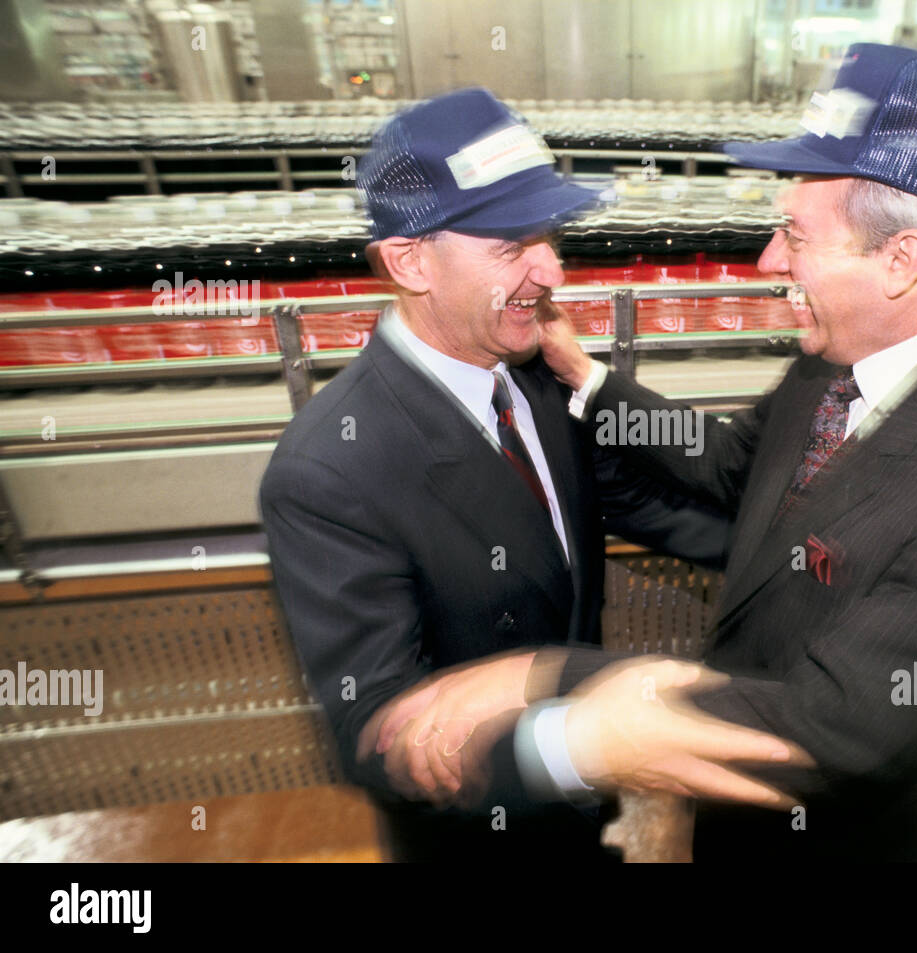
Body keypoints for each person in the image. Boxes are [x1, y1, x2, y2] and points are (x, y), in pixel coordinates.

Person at [525, 42, 917, 861]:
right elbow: (729, 463)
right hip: (736, 810)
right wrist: (589, 381)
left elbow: (833, 729)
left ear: (904, 261)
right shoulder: (836, 355)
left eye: (794, 234)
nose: (769, 261)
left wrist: (569, 721)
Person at [259, 88, 798, 863]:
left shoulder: (535, 378)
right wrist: (584, 738)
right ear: (412, 261)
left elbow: (637, 500)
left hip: (584, 816)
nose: (552, 270)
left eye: (549, 234)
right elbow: (373, 734)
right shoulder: (330, 469)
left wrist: (809, 556)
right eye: (512, 245)